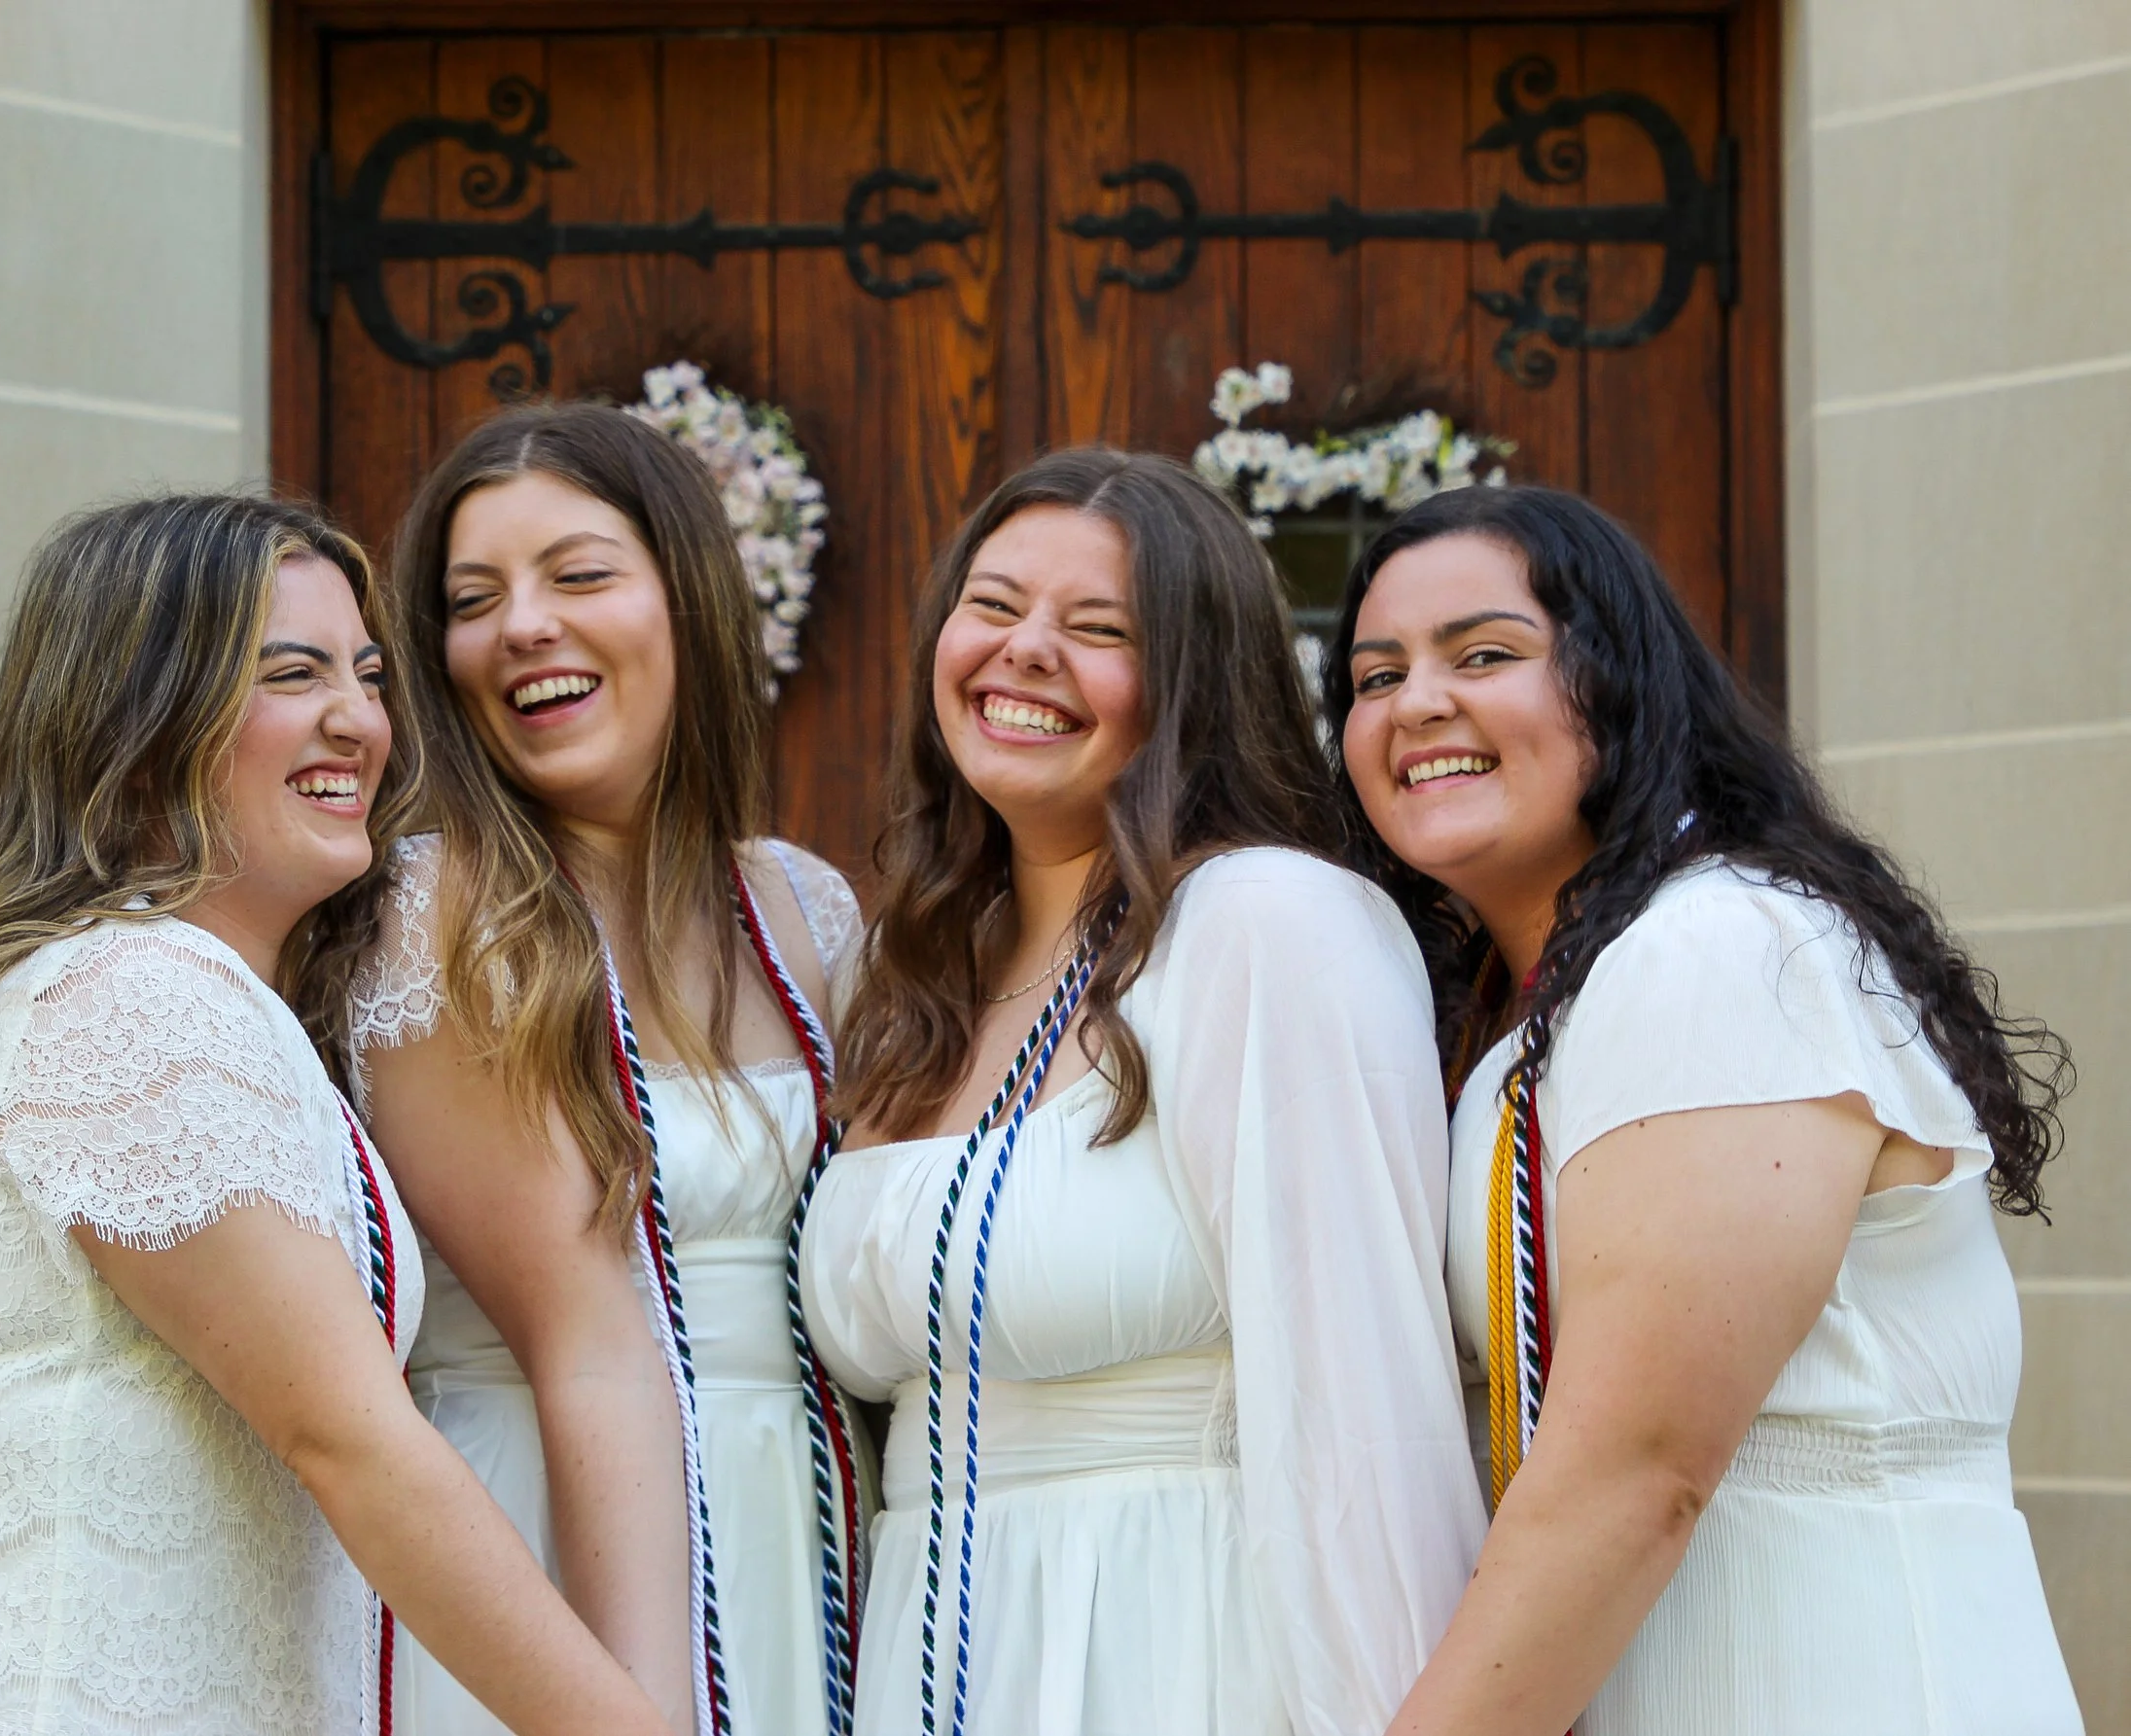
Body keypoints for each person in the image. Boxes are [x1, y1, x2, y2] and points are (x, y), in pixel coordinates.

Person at [0, 494, 671, 1736]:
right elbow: (353, 1447)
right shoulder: (133, 999)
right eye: (291, 673)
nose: (359, 720)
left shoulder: (157, 987)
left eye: (368, 675)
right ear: (139, 720)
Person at [1321, 483, 2083, 1736]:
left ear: (1619, 684)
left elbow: (1637, 1477)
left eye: (1487, 654)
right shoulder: (1530, 1006)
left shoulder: (1721, 948)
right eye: (1373, 676)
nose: (1415, 703)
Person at [799, 447, 1484, 1736]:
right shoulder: (915, 978)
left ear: (1190, 687)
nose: (1026, 651)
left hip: (1181, 1644)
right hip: (933, 1652)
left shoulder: (1264, 924)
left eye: (1098, 628)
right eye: (994, 607)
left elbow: (1363, 1415)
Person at [351, 401, 870, 1736]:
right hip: (554, 1537)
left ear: (687, 601)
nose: (523, 624)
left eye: (578, 574)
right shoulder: (441, 914)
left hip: (800, 1531)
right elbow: (582, 1350)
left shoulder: (803, 908)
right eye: (475, 599)